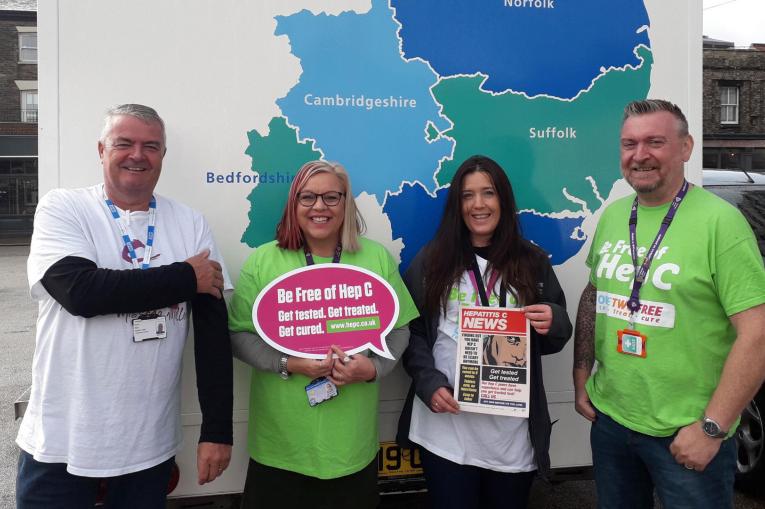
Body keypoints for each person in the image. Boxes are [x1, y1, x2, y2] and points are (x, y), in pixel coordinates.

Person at [17, 104, 234, 509]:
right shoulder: (64, 208)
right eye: (124, 143)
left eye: (151, 146)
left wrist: (218, 431)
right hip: (61, 442)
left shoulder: (191, 223)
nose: (138, 154)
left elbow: (212, 336)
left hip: (147, 448)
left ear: (163, 155)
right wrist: (187, 277)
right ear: (101, 150)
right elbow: (81, 293)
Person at [573, 99, 765, 508]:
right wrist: (581, 371)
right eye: (629, 144)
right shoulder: (613, 216)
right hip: (613, 422)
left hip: (687, 431)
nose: (639, 155)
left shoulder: (721, 224)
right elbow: (594, 295)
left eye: (654, 142)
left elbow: (758, 334)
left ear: (686, 147)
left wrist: (712, 428)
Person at [227, 160, 419, 509]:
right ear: (293, 204)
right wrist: (288, 363)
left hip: (350, 445)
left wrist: (373, 369)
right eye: (308, 197)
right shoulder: (264, 261)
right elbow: (239, 336)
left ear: (346, 204)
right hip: (280, 445)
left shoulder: (375, 258)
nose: (319, 207)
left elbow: (401, 328)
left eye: (332, 197)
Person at [397, 155, 572, 509]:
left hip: (511, 437)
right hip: (446, 429)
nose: (478, 204)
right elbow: (410, 332)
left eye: (488, 193)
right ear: (456, 205)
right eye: (467, 195)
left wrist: (553, 319)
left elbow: (558, 331)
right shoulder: (432, 261)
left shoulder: (531, 261)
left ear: (503, 201)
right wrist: (429, 383)